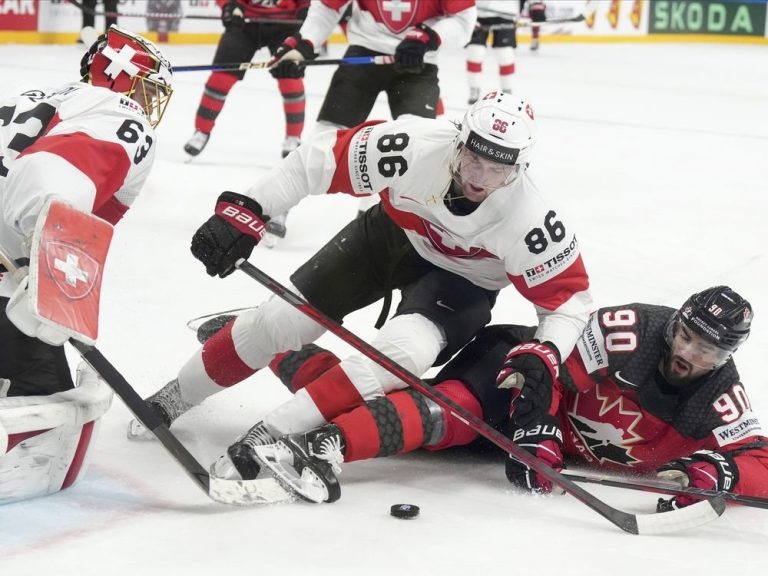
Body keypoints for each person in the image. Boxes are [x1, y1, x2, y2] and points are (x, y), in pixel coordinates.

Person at [129, 90, 594, 502]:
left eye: (497, 169)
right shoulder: (415, 145)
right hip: (387, 238)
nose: (478, 178)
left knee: (404, 353)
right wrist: (250, 207)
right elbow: (321, 160)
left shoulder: (531, 217)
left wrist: (546, 352)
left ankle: (275, 431)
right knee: (283, 321)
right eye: (474, 159)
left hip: (462, 281)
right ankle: (177, 395)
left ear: (519, 167)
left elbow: (568, 301)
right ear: (459, 140)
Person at [253, 286, 768, 507]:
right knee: (443, 415)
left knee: (408, 423)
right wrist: (537, 433)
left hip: (543, 441)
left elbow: (761, 464)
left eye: (706, 349)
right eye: (685, 335)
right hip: (514, 379)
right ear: (675, 322)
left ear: (725, 357)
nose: (686, 352)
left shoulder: (720, 397)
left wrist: (720, 473)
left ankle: (274, 350)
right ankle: (321, 440)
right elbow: (550, 372)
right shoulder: (631, 330)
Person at [0, 26, 173, 503]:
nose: (149, 102)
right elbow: (50, 176)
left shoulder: (32, 96)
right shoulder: (119, 109)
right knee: (46, 414)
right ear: (128, 79)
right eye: (149, 88)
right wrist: (54, 263)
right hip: (9, 273)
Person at [269, 0, 477, 229]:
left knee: (415, 149)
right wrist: (305, 42)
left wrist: (429, 36)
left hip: (419, 61)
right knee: (325, 137)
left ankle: (371, 223)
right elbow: (327, 6)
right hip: (364, 51)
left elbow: (464, 20)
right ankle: (273, 204)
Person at [183, 0, 309, 161]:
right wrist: (230, 5)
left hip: (287, 23)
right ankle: (201, 130)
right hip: (245, 21)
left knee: (290, 78)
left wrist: (306, 9)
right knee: (221, 78)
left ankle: (294, 137)